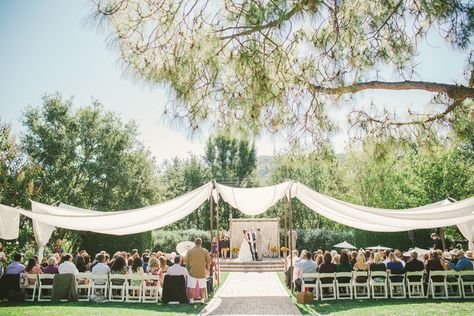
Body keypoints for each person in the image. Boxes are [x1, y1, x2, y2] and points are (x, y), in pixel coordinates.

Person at [184, 238, 211, 304]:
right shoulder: (205, 251)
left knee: (191, 288)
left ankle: (191, 301)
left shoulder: (189, 251)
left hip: (192, 272)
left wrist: (188, 270)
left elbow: (186, 262)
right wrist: (207, 270)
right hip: (202, 272)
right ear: (201, 243)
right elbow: (208, 262)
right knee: (202, 287)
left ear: (194, 243)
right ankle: (202, 301)